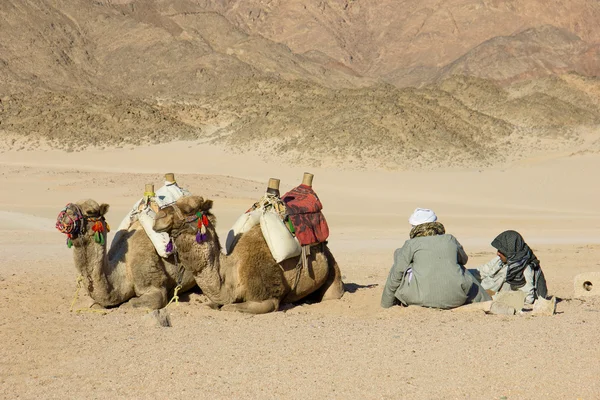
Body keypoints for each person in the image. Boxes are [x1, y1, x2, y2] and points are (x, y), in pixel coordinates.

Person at [381, 208, 491, 309]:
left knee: (399, 254)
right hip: (457, 298)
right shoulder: (450, 239)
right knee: (462, 270)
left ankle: (395, 302)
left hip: (418, 300)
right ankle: (487, 301)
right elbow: (464, 260)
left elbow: (395, 276)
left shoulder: (411, 244)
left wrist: (386, 304)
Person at [473, 230, 548, 305]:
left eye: (501, 250)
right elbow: (482, 271)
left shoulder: (523, 269)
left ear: (510, 251)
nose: (498, 253)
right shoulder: (501, 259)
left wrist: (496, 297)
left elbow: (528, 299)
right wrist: (464, 273)